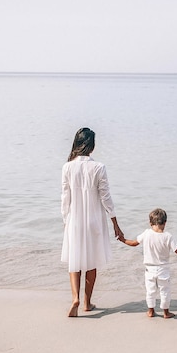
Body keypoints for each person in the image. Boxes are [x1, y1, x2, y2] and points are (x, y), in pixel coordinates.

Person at [61, 127, 124, 317]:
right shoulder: (98, 167)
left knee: (75, 259)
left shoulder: (67, 167)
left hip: (74, 220)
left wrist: (67, 221)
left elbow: (65, 198)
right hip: (94, 220)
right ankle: (87, 303)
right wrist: (115, 223)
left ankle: (75, 298)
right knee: (91, 261)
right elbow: (106, 197)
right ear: (92, 146)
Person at [119, 208, 177, 318]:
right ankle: (166, 312)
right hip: (163, 269)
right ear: (165, 223)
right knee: (165, 291)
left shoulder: (146, 233)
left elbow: (133, 243)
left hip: (149, 269)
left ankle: (151, 311)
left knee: (150, 291)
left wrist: (122, 239)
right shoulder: (168, 236)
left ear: (150, 223)